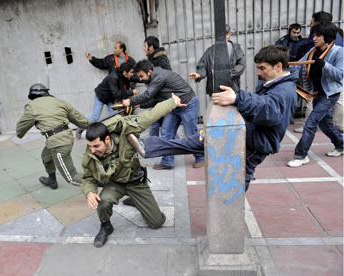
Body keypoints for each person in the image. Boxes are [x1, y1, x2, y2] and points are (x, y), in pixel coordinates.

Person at [128, 45, 298, 191]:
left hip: (255, 143)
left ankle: (229, 215)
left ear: (278, 66)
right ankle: (148, 146)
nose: (258, 73)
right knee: (195, 140)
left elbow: (269, 110)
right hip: (243, 133)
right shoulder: (274, 83)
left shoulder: (285, 91)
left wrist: (238, 98)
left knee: (236, 179)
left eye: (262, 68)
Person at [82, 94, 186, 248]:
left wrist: (173, 101)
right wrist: (89, 192)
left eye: (96, 146)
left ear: (107, 140)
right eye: (90, 146)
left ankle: (135, 199)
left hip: (136, 182)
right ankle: (106, 226)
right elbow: (88, 178)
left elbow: (152, 115)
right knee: (102, 202)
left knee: (157, 222)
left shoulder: (127, 130)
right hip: (115, 183)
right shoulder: (89, 155)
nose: (93, 150)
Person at [123, 60, 204, 169]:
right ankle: (167, 161)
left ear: (150, 71)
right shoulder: (154, 78)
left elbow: (148, 95)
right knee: (166, 133)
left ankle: (201, 158)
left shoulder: (159, 76)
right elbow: (157, 99)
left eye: (141, 76)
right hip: (174, 105)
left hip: (187, 104)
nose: (140, 80)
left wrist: (130, 101)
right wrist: (140, 105)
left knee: (191, 133)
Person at [287, 22, 343, 167]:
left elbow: (339, 75)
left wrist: (324, 65)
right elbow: (298, 65)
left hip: (330, 95)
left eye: (318, 35)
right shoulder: (313, 51)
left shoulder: (338, 52)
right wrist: (283, 69)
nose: (314, 38)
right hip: (317, 93)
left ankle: (300, 155)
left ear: (327, 37)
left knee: (310, 123)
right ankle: (341, 145)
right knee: (325, 124)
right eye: (314, 35)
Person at [16, 83, 91, 189]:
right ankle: (52, 180)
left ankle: (101, 183)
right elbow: (79, 119)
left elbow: (22, 125)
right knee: (46, 157)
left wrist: (19, 133)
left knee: (71, 177)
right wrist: (92, 125)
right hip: (66, 137)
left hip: (57, 143)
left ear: (32, 96)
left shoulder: (32, 106)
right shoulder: (61, 102)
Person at [296, 11, 343, 134]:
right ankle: (339, 138)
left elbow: (338, 73)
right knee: (326, 120)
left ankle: (337, 128)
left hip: (329, 85)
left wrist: (325, 65)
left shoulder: (330, 43)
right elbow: (301, 62)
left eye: (312, 23)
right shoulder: (331, 37)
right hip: (321, 85)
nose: (310, 26)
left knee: (314, 117)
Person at [76, 63, 138, 139]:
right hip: (101, 96)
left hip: (110, 97)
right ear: (125, 72)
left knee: (115, 115)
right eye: (131, 72)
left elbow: (134, 79)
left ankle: (115, 132)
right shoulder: (113, 77)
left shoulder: (122, 76)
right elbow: (116, 94)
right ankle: (81, 127)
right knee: (95, 116)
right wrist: (131, 92)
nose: (132, 74)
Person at [189, 24, 246, 97]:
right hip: (215, 92)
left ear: (228, 35)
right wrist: (199, 74)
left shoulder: (236, 49)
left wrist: (228, 74)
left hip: (232, 90)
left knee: (231, 108)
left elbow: (241, 64)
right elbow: (203, 65)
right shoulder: (210, 51)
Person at [143, 35, 172, 137]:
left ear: (151, 48)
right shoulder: (154, 59)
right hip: (158, 98)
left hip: (163, 98)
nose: (143, 48)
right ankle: (153, 146)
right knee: (155, 123)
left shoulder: (161, 60)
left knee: (165, 130)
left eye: (145, 46)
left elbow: (167, 76)